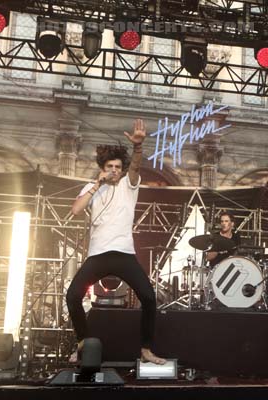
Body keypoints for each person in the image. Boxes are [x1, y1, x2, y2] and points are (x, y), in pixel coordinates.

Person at [67, 119, 165, 365]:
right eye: (109, 166)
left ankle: (146, 349)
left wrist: (139, 147)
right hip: (98, 254)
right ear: (102, 167)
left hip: (123, 253)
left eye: (117, 166)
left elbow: (136, 167)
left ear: (122, 169)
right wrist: (97, 184)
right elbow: (77, 210)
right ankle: (83, 344)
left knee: (149, 298)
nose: (113, 170)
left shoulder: (128, 185)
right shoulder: (93, 186)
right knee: (72, 296)